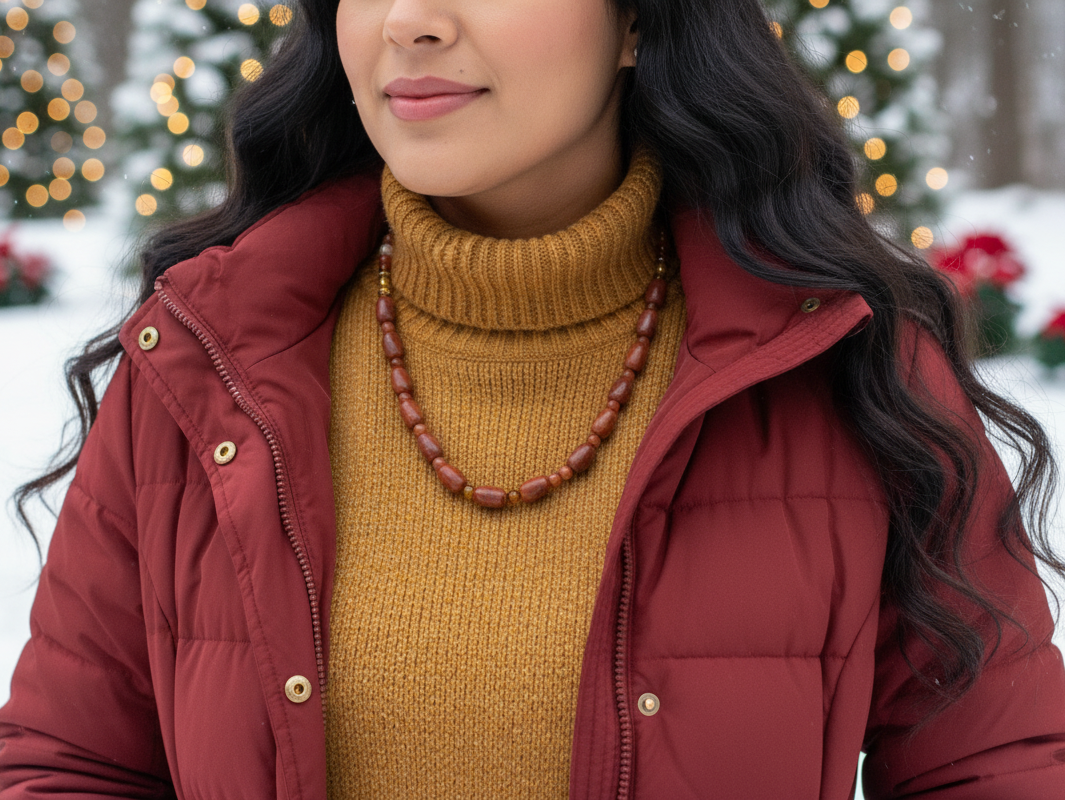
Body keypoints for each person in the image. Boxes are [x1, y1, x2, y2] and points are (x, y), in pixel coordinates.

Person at [2, 0, 1065, 797]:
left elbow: (1000, 766)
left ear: (638, 21)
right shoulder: (203, 360)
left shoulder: (842, 362)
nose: (410, 24)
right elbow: (70, 761)